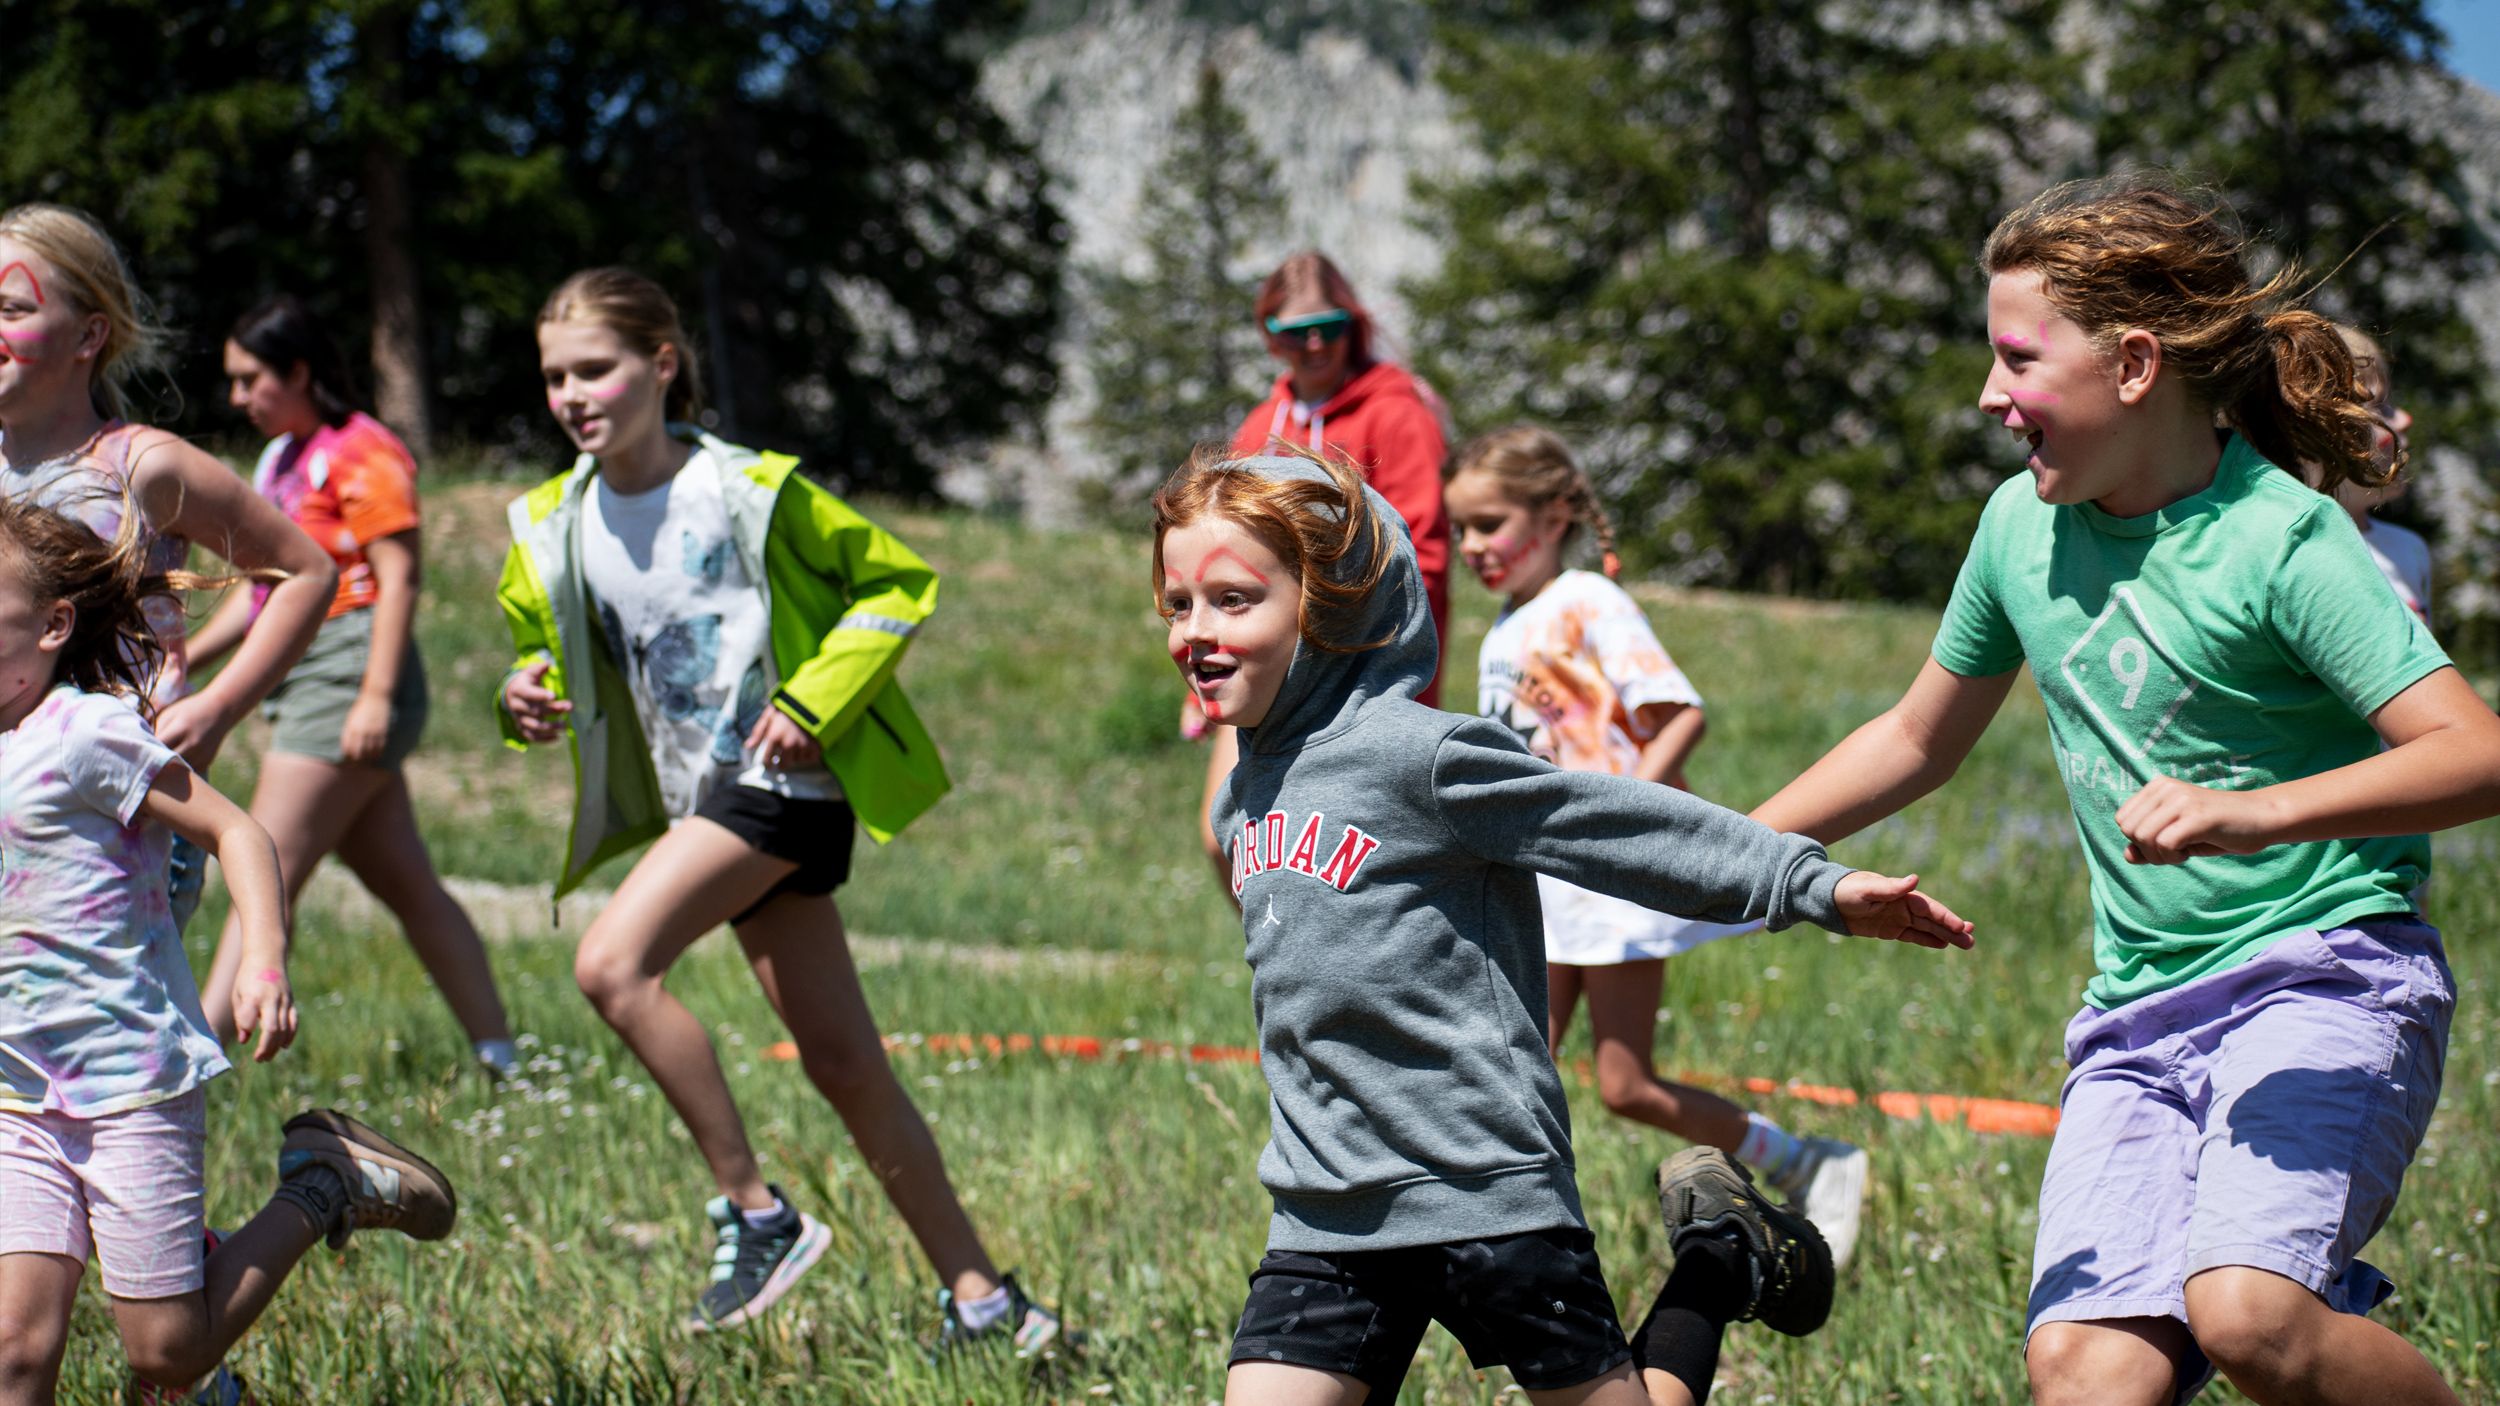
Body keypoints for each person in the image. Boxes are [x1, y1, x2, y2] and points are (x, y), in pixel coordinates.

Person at [1750, 175, 2500, 1406]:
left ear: (2136, 366)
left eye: (2015, 361)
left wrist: (2253, 808)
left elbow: (2471, 753)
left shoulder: (2286, 539)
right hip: (2136, 1018)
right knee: (2082, 1368)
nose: (1988, 397)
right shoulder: (2015, 529)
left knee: (2250, 1312)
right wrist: (1702, 842)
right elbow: (1913, 739)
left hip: (2327, 975)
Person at [1155, 446, 1973, 1405]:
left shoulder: (1422, 757)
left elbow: (1622, 828)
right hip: (1325, 1212)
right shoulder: (1242, 797)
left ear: (1334, 603)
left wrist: (1811, 886)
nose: (1195, 633)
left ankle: (1718, 1261)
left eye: (1234, 600)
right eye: (1179, 603)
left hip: (1487, 1195)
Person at [496, 267, 1058, 1346]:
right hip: (697, 799)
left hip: (780, 786)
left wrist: (816, 697)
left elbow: (895, 585)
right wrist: (523, 688)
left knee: (611, 964)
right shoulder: (551, 521)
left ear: (661, 364)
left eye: (595, 368)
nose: (572, 393)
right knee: (844, 1064)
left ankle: (755, 1212)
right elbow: (543, 639)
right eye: (555, 375)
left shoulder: (747, 487)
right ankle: (988, 1303)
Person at [0, 494, 455, 1406]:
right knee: (15, 1351)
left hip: (129, 1082)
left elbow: (240, 834)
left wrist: (263, 961)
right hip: (15, 1094)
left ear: (53, 624)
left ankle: (326, 1183)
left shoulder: (84, 735)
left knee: (166, 1353)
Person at [1443, 425, 1867, 1269]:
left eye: (1489, 523)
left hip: (1605, 886)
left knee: (1623, 1085)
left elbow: (1680, 714)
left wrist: (1629, 819)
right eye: (1461, 530)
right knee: (1508, 1069)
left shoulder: (1590, 602)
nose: (1471, 547)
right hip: (1540, 881)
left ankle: (1808, 1162)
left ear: (1556, 511)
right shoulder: (1505, 625)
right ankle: (1487, 1239)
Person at [186, 294, 516, 1078]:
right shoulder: (280, 462)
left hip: (350, 666)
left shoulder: (364, 449)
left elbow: (398, 580)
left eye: (250, 379)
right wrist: (189, 661)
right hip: (307, 670)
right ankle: (502, 1055)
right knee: (407, 882)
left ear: (299, 371)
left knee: (263, 866)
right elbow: (261, 592)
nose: (237, 398)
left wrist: (373, 694)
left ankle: (191, 1070)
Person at [0, 203, 337, 929]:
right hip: (9, 800)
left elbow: (305, 572)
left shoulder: (141, 466)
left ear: (90, 334)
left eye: (11, 308)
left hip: (120, 825)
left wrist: (216, 709)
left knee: (99, 1034)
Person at [1192, 251, 1454, 893]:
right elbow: (1221, 555)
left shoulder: (1396, 414)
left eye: (1328, 326)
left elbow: (1425, 554)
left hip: (1356, 673)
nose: (1312, 344)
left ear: (1352, 325)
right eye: (1292, 331)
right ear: (1268, 335)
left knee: (1346, 860)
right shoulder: (1262, 426)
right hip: (1262, 665)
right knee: (1226, 839)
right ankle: (1292, 976)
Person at [2318, 326, 2430, 622]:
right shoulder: (2306, 560)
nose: (2405, 419)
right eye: (2380, 406)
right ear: (2312, 438)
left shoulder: (2410, 549)